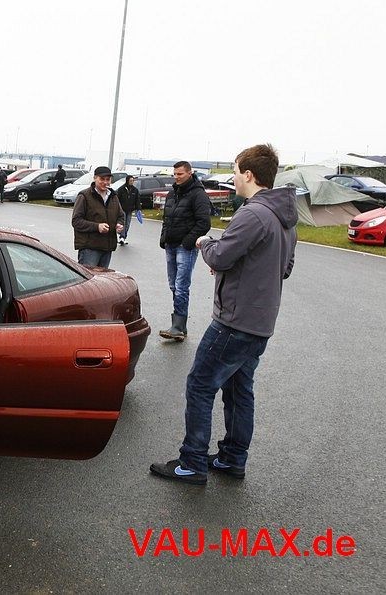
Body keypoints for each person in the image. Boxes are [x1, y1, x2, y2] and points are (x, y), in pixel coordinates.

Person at [150, 144, 297, 485]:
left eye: (235, 171)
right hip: (261, 322)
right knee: (238, 390)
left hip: (234, 321)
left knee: (200, 385)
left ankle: (192, 463)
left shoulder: (252, 214)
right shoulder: (285, 219)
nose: (233, 178)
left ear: (249, 174)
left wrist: (205, 242)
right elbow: (283, 268)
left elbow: (219, 256)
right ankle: (232, 459)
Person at [158, 160, 212, 341]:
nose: (176, 177)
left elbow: (204, 223)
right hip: (170, 245)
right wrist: (164, 238)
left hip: (185, 247)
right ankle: (181, 325)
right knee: (173, 285)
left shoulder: (198, 194)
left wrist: (187, 242)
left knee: (181, 286)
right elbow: (167, 218)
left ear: (190, 173)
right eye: (174, 174)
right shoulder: (172, 192)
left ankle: (177, 327)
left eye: (180, 174)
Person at [71, 166, 125, 267]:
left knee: (102, 277)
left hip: (107, 247)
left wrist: (119, 224)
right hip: (90, 248)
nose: (105, 182)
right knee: (88, 276)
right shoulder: (84, 196)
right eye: (102, 179)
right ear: (95, 178)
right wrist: (97, 227)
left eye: (108, 179)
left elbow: (121, 215)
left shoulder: (113, 196)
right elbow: (76, 221)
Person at [116, 175, 140, 245]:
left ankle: (123, 237)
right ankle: (122, 237)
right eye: (130, 181)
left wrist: (138, 209)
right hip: (122, 209)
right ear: (127, 181)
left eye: (133, 181)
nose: (132, 182)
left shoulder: (135, 190)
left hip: (130, 210)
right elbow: (117, 199)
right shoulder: (121, 189)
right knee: (123, 223)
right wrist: (117, 208)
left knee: (127, 224)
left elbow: (137, 200)